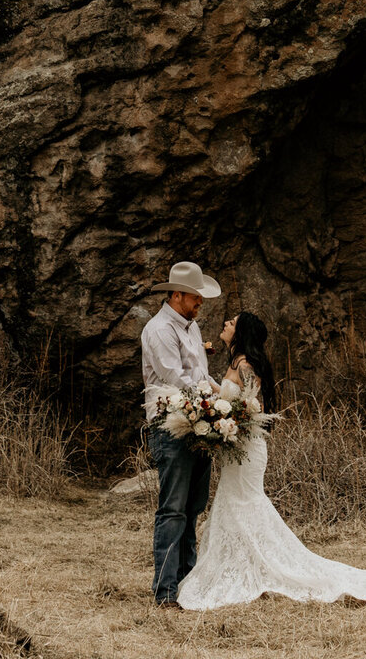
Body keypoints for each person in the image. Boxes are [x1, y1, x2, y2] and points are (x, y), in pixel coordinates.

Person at [177, 309, 366, 611]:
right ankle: (239, 565)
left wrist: (223, 416)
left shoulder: (246, 364)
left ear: (241, 333)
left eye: (232, 323)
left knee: (244, 504)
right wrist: (209, 397)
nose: (226, 324)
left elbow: (253, 405)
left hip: (247, 450)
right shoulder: (237, 363)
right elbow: (234, 396)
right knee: (236, 504)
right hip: (237, 449)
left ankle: (259, 567)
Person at [140, 260, 222, 609]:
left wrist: (225, 397)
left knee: (193, 506)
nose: (200, 302)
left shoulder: (189, 326)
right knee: (173, 508)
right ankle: (166, 592)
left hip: (196, 421)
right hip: (171, 424)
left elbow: (200, 375)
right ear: (176, 295)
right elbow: (176, 379)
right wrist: (214, 402)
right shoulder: (159, 329)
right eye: (194, 297)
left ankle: (188, 584)